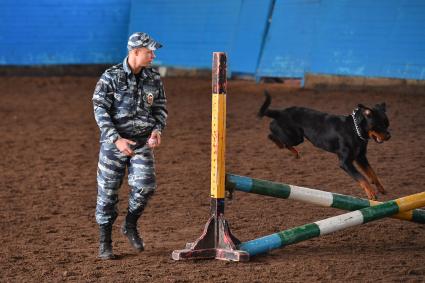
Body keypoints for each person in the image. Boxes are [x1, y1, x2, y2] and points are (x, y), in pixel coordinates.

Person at [92, 32, 167, 259]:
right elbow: (99, 109)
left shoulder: (153, 78)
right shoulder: (110, 77)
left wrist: (157, 130)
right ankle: (105, 242)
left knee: (146, 186)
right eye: (149, 52)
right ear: (135, 51)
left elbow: (160, 108)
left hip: (142, 142)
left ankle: (130, 224)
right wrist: (116, 138)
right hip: (114, 144)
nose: (153, 56)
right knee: (107, 195)